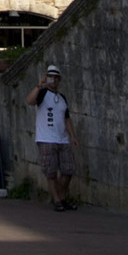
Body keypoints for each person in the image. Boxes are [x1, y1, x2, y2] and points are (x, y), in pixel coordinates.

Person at [27, 63, 79, 211]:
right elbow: (30, 101)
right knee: (50, 172)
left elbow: (66, 118)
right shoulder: (42, 93)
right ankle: (57, 200)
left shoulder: (62, 98)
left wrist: (73, 136)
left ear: (59, 79)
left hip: (62, 139)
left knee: (68, 170)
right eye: (50, 77)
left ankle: (61, 196)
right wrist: (39, 85)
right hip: (46, 138)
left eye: (56, 77)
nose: (53, 80)